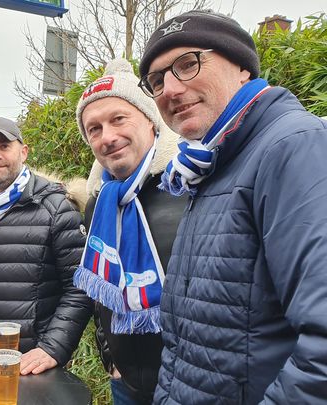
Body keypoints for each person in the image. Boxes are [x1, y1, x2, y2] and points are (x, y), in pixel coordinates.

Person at [137, 10, 327, 404]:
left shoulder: (292, 147)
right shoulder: (212, 163)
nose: (169, 90)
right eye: (156, 81)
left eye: (188, 64)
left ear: (241, 66)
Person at [73, 59, 187, 404]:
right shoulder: (99, 204)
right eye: (94, 129)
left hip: (189, 386)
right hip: (126, 386)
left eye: (118, 119)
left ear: (152, 121)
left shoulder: (192, 187)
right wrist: (111, 358)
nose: (107, 137)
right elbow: (98, 290)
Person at [0, 117, 92, 375]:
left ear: (23, 151)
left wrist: (52, 348)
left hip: (33, 365)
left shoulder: (56, 208)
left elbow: (81, 287)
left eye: (4, 146)